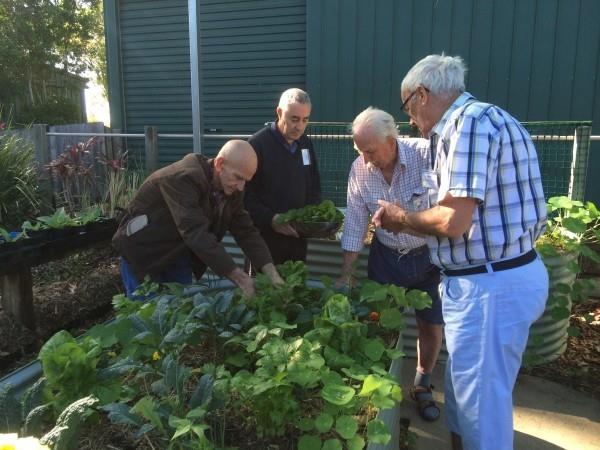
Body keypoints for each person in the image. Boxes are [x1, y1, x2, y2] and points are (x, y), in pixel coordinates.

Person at [373, 54, 548, 450]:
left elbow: (453, 221)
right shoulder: (490, 118)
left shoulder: (466, 125)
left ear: (421, 94)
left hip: (489, 286)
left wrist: (402, 218)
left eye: (407, 108)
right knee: (465, 393)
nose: (411, 121)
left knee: (481, 409)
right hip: (494, 278)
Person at [338, 107, 444, 422]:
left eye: (370, 151)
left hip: (428, 258)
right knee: (382, 323)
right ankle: (381, 387)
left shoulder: (427, 155)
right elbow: (356, 222)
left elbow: (446, 211)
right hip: (385, 260)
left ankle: (422, 384)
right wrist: (346, 273)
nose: (366, 159)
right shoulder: (359, 170)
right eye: (360, 151)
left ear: (392, 139)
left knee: (431, 324)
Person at [113, 140, 284, 298]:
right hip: (143, 253)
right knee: (145, 318)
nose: (241, 187)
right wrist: (240, 278)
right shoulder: (183, 178)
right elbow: (195, 232)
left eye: (246, 181)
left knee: (178, 314)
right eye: (238, 177)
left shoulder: (232, 190)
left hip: (177, 255)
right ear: (220, 164)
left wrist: (272, 274)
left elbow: (246, 232)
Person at [244, 88, 321, 265]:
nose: (299, 126)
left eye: (305, 120)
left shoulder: (305, 144)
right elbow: (244, 196)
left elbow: (314, 184)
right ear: (279, 113)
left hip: (297, 240)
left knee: (295, 288)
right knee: (264, 290)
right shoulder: (257, 145)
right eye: (294, 119)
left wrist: (314, 217)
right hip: (264, 242)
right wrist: (271, 219)